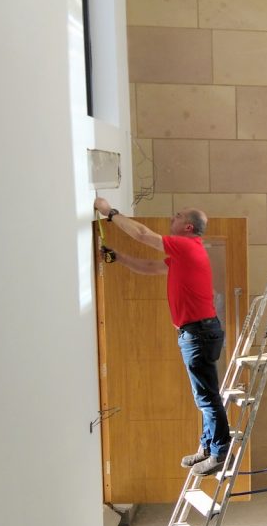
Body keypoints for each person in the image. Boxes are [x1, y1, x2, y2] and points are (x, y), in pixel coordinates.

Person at [94, 197, 230, 477]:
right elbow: (150, 267)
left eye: (177, 216)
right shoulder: (184, 254)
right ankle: (208, 447)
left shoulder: (185, 246)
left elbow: (143, 235)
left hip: (199, 333)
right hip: (200, 331)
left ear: (188, 227)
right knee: (203, 394)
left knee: (206, 396)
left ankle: (219, 452)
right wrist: (118, 257)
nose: (172, 218)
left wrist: (109, 212)